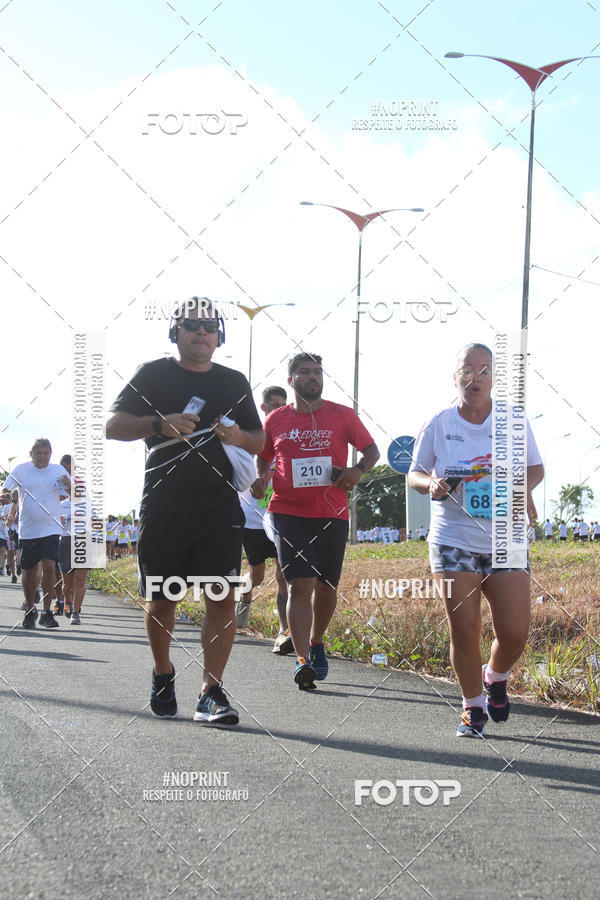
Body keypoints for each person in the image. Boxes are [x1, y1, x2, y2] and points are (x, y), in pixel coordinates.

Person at [106, 296, 263, 724]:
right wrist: (160, 424)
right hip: (165, 504)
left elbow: (259, 439)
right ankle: (162, 672)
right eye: (191, 325)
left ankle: (211, 691)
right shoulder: (153, 374)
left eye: (209, 326)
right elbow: (113, 426)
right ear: (175, 332)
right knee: (163, 599)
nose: (201, 332)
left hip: (219, 505)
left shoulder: (233, 382)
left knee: (221, 598)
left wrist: (238, 437)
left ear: (219, 336)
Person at [409, 343, 543, 737]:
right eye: (468, 369)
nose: (476, 376)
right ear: (456, 377)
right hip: (454, 539)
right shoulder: (439, 423)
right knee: (464, 629)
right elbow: (414, 473)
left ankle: (496, 675)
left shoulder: (512, 419)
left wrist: (523, 489)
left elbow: (535, 467)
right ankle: (472, 706)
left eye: (485, 370)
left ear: (492, 378)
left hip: (506, 537)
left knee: (515, 630)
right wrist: (430, 483)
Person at [255, 352, 379, 690]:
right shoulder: (276, 420)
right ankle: (302, 662)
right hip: (287, 512)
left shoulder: (342, 415)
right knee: (300, 584)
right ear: (291, 379)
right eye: (305, 372)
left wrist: (356, 471)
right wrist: (262, 479)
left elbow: (371, 451)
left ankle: (316, 640)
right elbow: (263, 457)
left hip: (332, 512)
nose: (313, 377)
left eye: (318, 372)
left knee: (326, 588)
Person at [237, 385, 292, 655]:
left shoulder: (289, 439)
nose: (279, 410)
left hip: (281, 518)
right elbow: (235, 477)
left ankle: (284, 631)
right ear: (263, 408)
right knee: (256, 576)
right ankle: (244, 599)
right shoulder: (252, 441)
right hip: (253, 522)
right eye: (274, 406)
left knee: (285, 576)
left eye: (284, 405)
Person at [4, 439, 71, 628]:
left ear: (51, 453)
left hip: (51, 528)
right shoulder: (21, 470)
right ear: (31, 454)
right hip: (28, 529)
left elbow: (75, 494)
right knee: (29, 571)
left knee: (49, 566)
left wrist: (70, 486)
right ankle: (30, 609)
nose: (42, 457)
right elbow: (6, 490)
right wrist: (6, 496)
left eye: (46, 453)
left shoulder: (58, 471)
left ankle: (47, 612)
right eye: (38, 453)